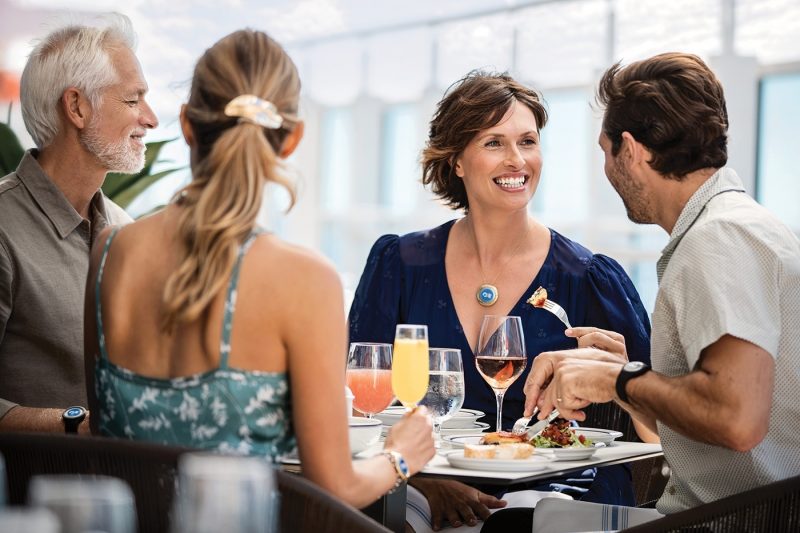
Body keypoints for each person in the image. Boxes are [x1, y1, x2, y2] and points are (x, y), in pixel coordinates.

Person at [84, 29, 434, 508]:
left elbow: (106, 437)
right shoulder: (304, 279)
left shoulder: (108, 252)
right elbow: (335, 487)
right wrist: (400, 455)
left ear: (186, 124)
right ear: (292, 139)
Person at [503, 52, 800, 532]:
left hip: (714, 523)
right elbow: (704, 429)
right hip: (732, 513)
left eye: (604, 151)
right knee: (529, 517)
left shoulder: (718, 240)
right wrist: (620, 379)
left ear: (631, 149)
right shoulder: (737, 226)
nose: (606, 168)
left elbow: (738, 420)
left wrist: (619, 380)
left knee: (511, 526)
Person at [348, 71, 656, 531]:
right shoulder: (400, 265)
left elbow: (661, 424)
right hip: (422, 486)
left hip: (559, 492)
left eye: (528, 141)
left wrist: (626, 378)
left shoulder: (590, 278)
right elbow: (356, 404)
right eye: (494, 142)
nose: (517, 161)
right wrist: (424, 479)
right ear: (455, 160)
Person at [0, 13, 156, 434]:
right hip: (29, 496)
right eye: (132, 100)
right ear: (77, 107)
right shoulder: (2, 228)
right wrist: (80, 426)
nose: (151, 118)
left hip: (132, 490)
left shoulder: (125, 230)